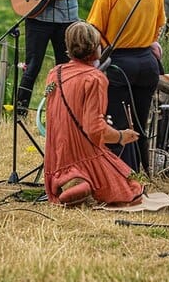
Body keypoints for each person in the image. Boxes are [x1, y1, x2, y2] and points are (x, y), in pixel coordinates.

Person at [43, 21, 144, 206]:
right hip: (83, 153)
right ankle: (81, 179)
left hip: (56, 159)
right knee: (134, 189)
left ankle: (69, 180)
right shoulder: (95, 78)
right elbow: (94, 128)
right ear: (95, 49)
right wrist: (121, 136)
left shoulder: (54, 73)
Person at [87, 0, 165, 172]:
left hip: (118, 63)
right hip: (147, 64)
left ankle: (123, 173)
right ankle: (143, 171)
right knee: (140, 123)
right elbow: (158, 28)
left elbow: (94, 29)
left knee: (120, 124)